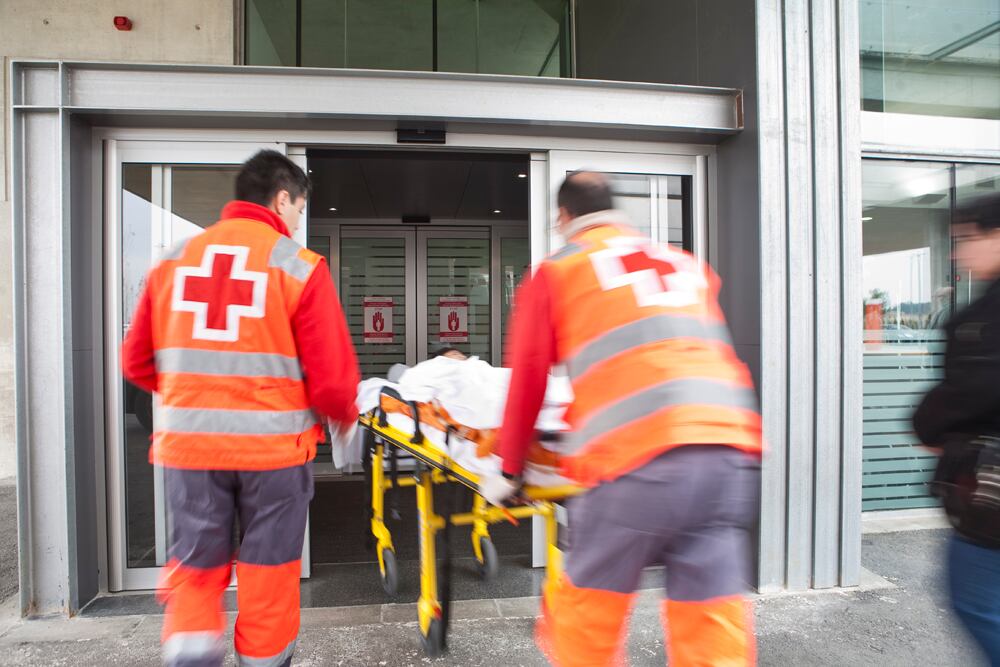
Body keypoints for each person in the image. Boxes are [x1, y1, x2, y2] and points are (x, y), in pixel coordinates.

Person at [480, 171, 762, 666]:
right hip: (727, 458)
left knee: (586, 625)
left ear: (564, 216)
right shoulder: (684, 264)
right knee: (712, 623)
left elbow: (527, 379)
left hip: (635, 467)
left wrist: (508, 468)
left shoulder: (559, 269)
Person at [122, 150, 359, 667]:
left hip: (190, 452)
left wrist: (195, 397)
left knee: (195, 563)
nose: (297, 220)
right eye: (298, 208)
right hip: (273, 457)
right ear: (282, 198)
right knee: (268, 568)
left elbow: (136, 361)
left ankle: (190, 654)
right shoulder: (298, 266)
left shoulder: (172, 260)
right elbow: (334, 380)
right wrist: (343, 424)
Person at [914, 192, 1000, 666]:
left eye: (966, 239)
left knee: (975, 600)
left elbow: (971, 392)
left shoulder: (984, 320)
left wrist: (927, 423)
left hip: (991, 493)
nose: (956, 253)